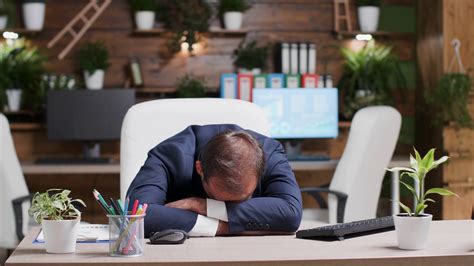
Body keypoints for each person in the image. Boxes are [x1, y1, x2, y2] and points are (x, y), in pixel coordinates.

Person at [127, 124, 302, 237]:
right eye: (220, 200)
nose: (228, 206)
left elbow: (291, 214)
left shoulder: (269, 153)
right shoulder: (167, 157)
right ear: (199, 169)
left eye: (242, 201)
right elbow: (136, 217)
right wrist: (226, 227)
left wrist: (201, 205)